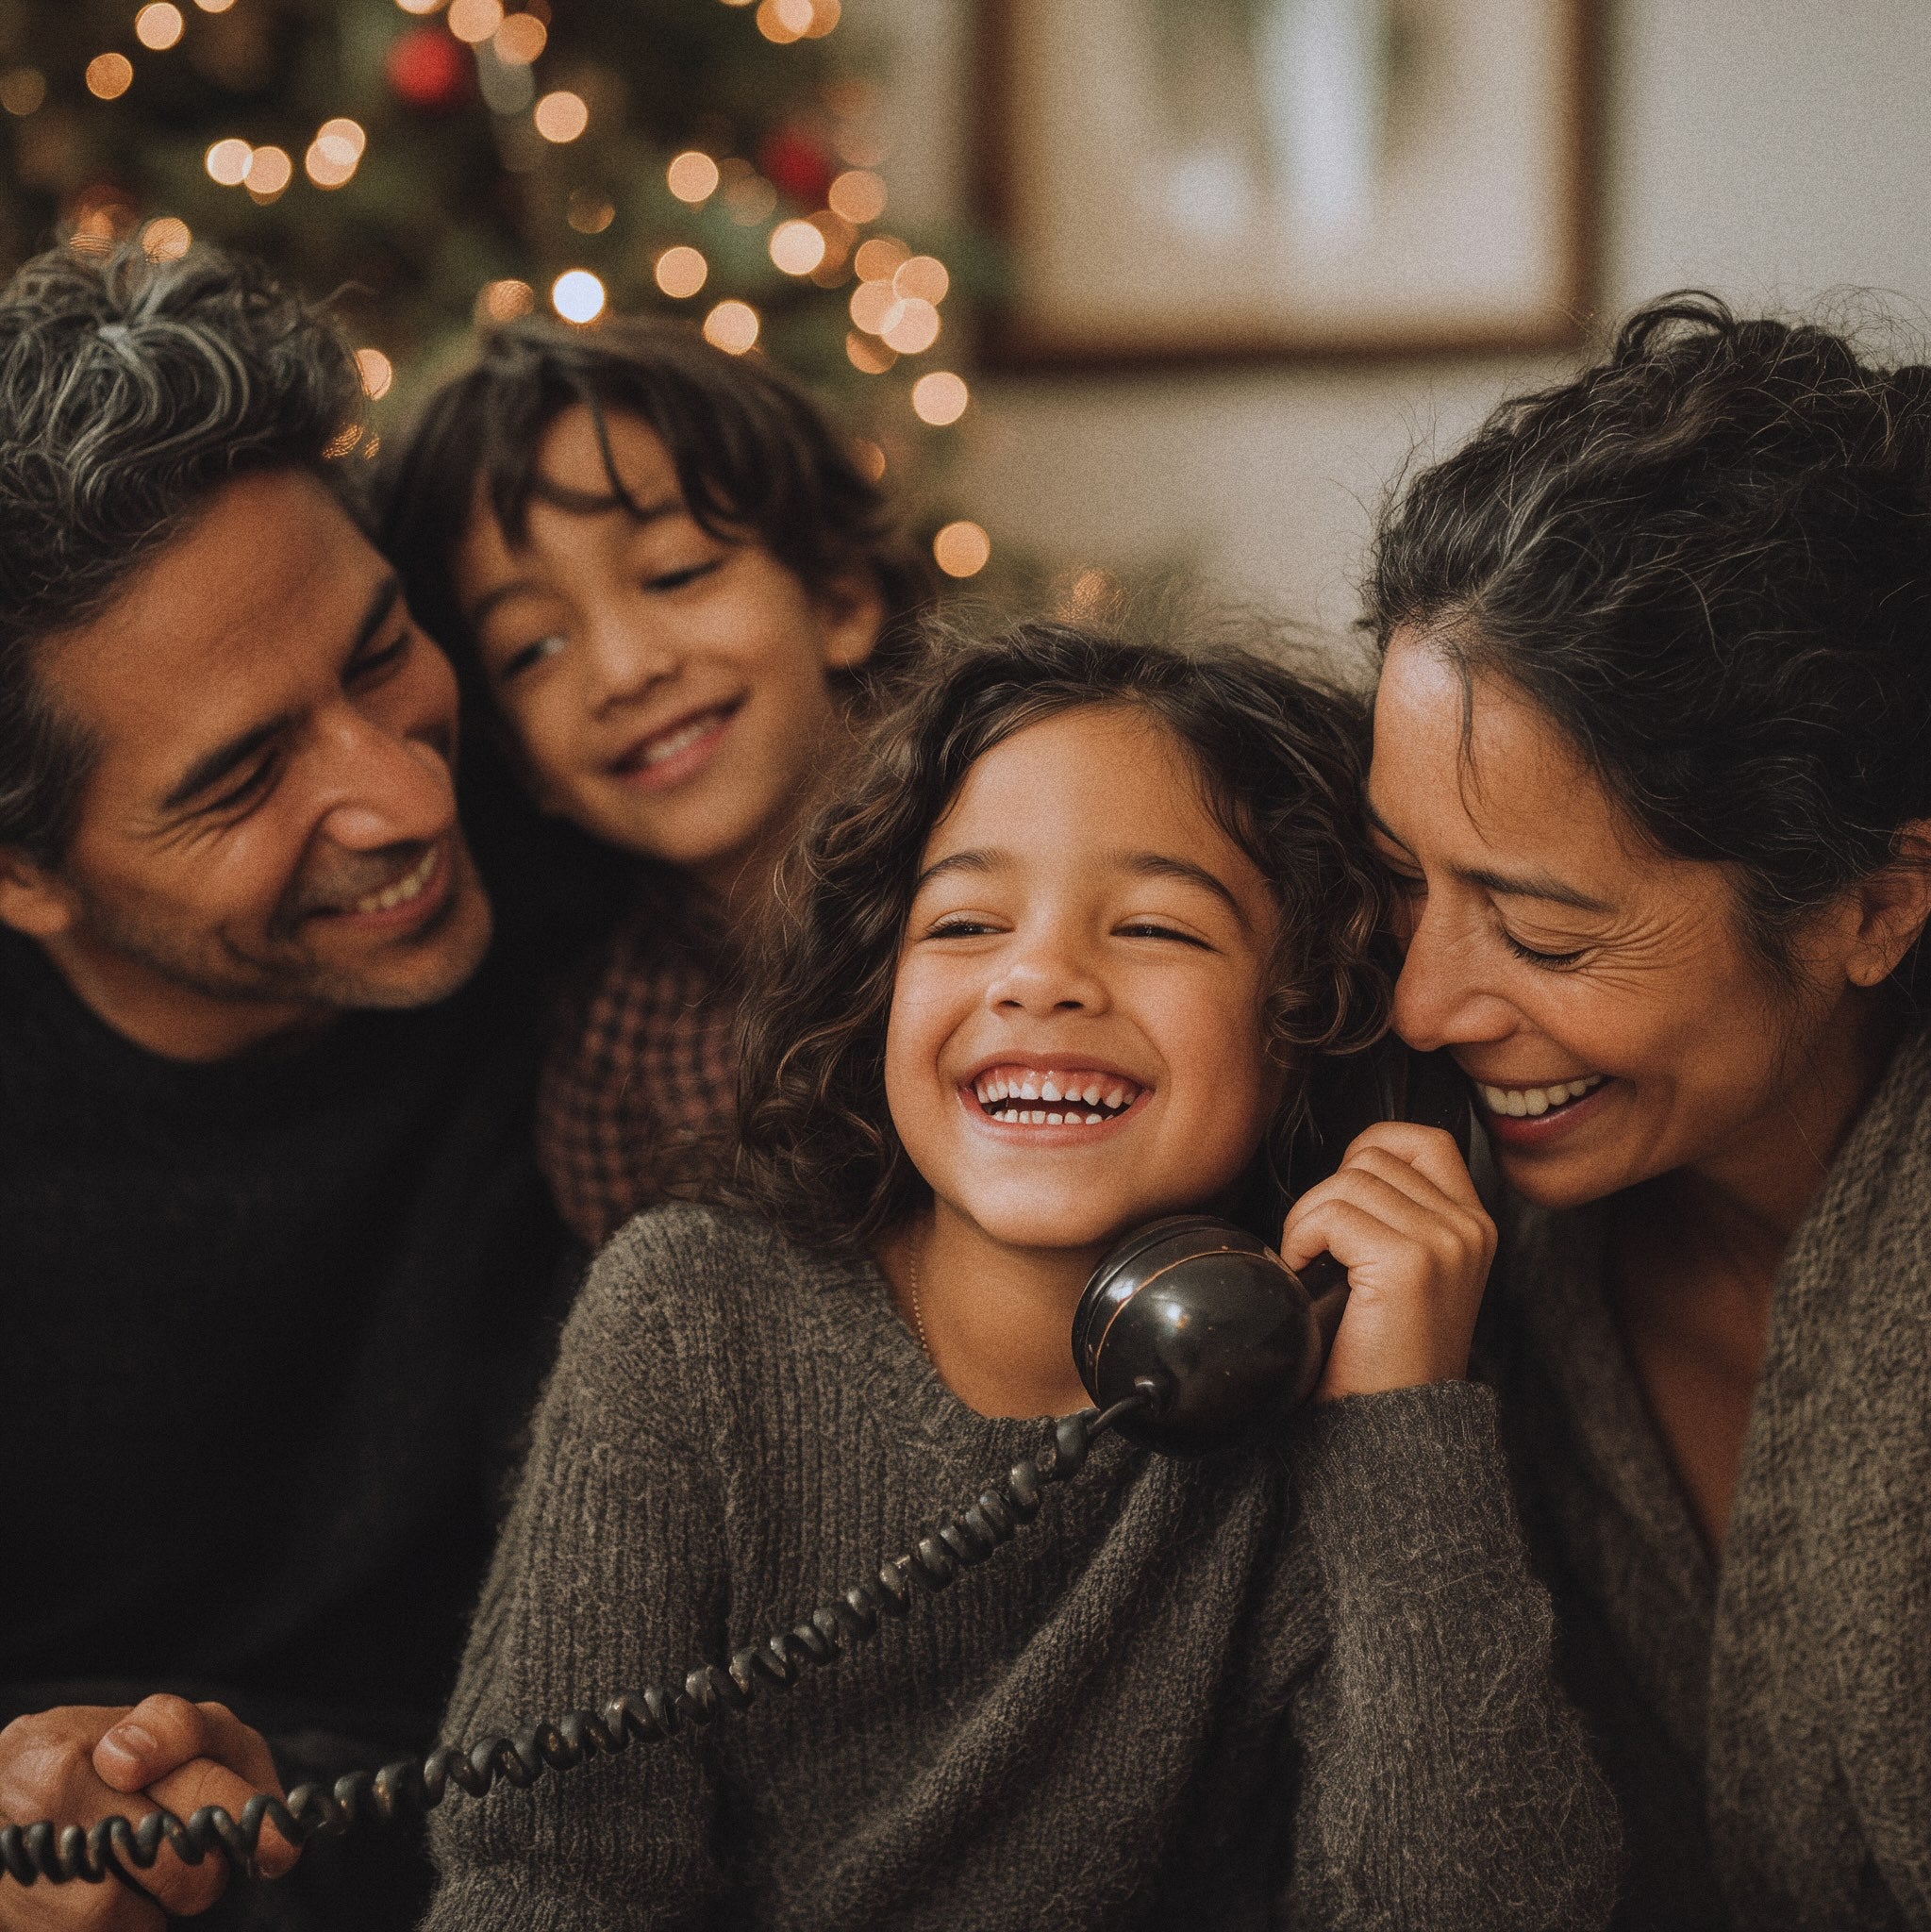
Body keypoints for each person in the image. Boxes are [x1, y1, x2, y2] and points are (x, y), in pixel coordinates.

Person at [418, 617, 1619, 1931]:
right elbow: (546, 1873)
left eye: (1157, 928)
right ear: (877, 989)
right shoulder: (693, 1318)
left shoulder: (1363, 1387)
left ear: (1311, 1018)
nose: (1040, 978)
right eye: (968, 921)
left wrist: (1400, 1434)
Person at [0, 244, 571, 1932]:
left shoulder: (612, 917)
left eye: (381, 649)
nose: (403, 795)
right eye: (244, 775)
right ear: (26, 875)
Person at [1360, 295, 1931, 1929]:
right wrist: (1404, 1448)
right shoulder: (1454, 1234)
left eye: (1540, 928)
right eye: (1404, 879)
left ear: (1873, 906)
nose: (1426, 1001)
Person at [375, 319, 929, 1249]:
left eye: (675, 573)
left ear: (837, 597)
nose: (624, 670)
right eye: (534, 648)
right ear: (520, 764)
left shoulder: (1030, 841)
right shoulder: (611, 1068)